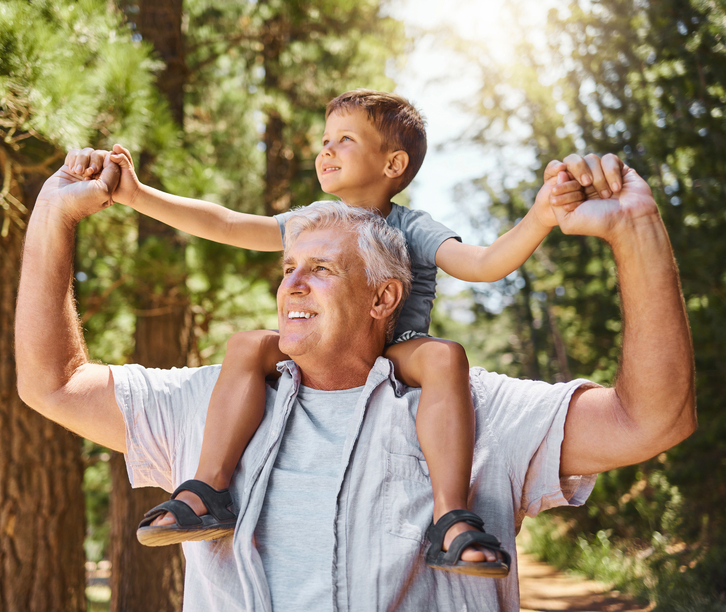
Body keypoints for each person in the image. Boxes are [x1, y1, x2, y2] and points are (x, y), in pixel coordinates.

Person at [15, 151, 695, 611]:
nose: (292, 284)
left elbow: (653, 419)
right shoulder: (213, 399)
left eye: (321, 270)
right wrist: (53, 214)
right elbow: (52, 382)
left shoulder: (470, 407)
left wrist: (635, 231)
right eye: (287, 269)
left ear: (381, 299)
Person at [64, 90, 588, 575]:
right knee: (247, 344)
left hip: (394, 350)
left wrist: (541, 216)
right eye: (324, 140)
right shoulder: (312, 219)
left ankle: (450, 517)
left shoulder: (413, 227)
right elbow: (225, 224)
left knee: (445, 356)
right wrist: (137, 195)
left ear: (393, 164)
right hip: (318, 348)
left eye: (345, 139)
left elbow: (484, 263)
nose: (326, 150)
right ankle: (207, 492)